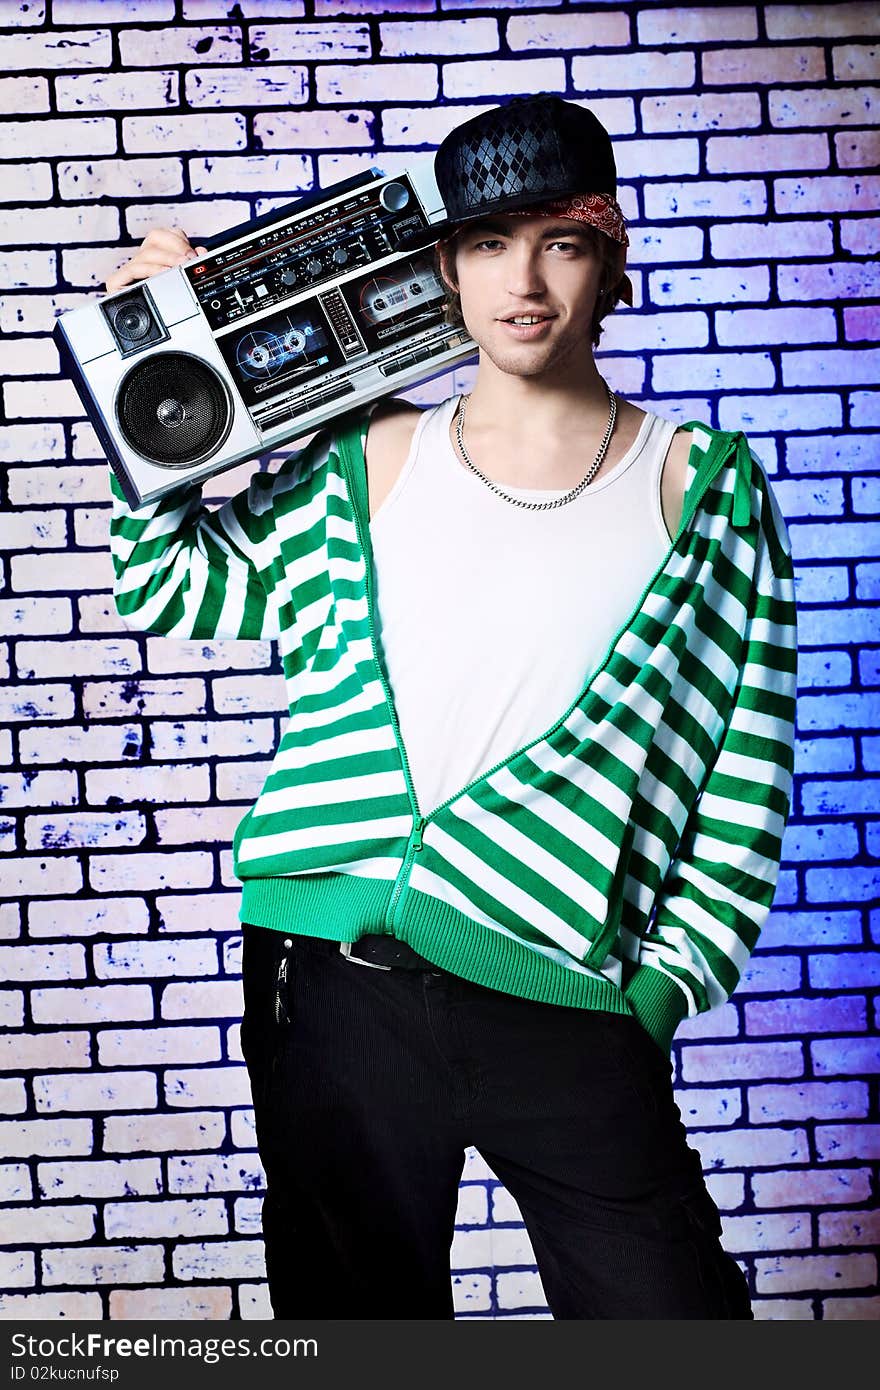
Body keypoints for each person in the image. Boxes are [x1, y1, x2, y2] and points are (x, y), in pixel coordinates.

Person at [104, 95, 798, 1319]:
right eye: (487, 244)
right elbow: (167, 582)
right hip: (327, 985)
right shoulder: (369, 458)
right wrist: (143, 361)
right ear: (444, 269)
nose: (523, 281)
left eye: (560, 242)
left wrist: (657, 991)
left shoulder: (701, 490)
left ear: (611, 255)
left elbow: (746, 772)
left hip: (563, 997)